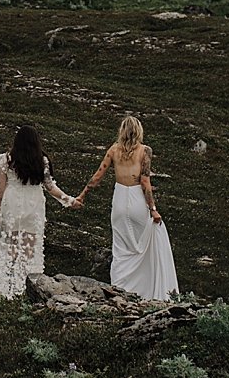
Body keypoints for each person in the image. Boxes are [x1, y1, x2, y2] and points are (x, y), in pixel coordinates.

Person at [76, 115, 179, 300]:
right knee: (142, 246)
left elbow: (98, 175)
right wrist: (153, 208)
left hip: (119, 200)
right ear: (139, 131)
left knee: (121, 248)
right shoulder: (145, 151)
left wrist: (83, 194)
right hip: (137, 201)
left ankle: (120, 288)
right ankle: (146, 291)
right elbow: (145, 182)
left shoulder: (114, 150)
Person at [0, 125, 82, 299]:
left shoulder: (6, 160)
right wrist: (69, 200)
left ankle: (7, 284)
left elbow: (0, 191)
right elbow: (50, 187)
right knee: (29, 245)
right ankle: (25, 285)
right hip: (33, 205)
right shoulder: (41, 161)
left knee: (10, 245)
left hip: (11, 204)